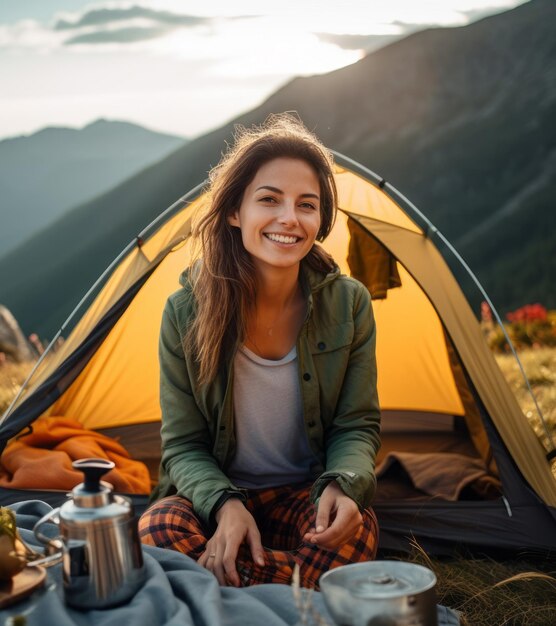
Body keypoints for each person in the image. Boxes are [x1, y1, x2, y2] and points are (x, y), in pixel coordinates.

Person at [138, 114, 381, 589]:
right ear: (235, 212)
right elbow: (183, 446)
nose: (290, 218)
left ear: (320, 220)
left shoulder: (350, 304)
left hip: (303, 495)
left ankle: (227, 580)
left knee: (357, 527)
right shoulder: (184, 312)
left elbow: (356, 425)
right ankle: (297, 581)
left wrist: (342, 485)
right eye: (269, 199)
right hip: (216, 499)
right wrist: (225, 505)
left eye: (306, 205)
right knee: (158, 528)